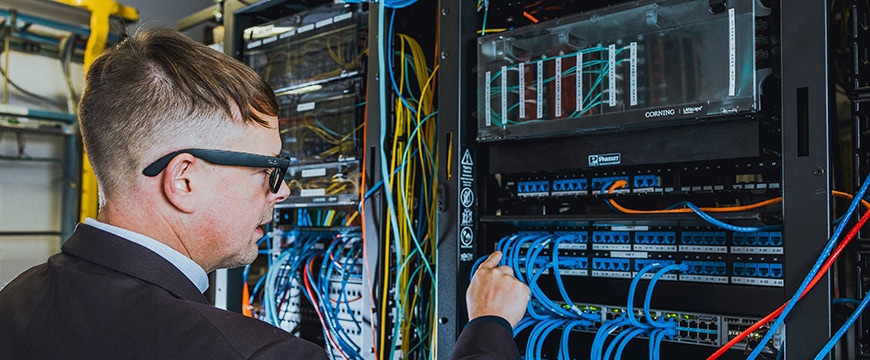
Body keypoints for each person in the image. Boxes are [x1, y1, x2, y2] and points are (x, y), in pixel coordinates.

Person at [0, 27, 529, 359]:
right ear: (183, 179)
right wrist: (488, 325)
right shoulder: (252, 352)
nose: (283, 192)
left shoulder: (15, 301)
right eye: (269, 170)